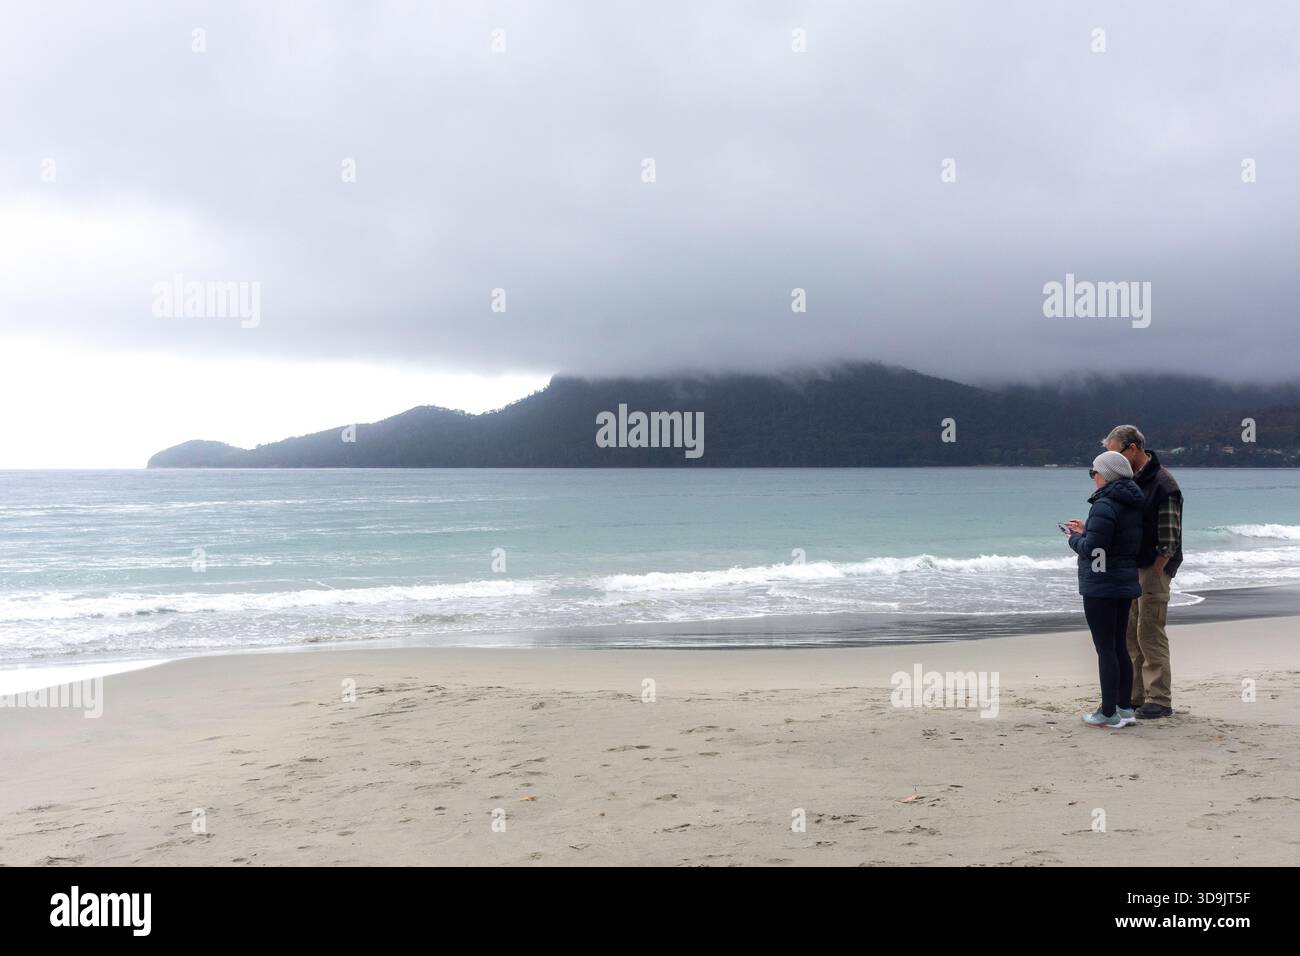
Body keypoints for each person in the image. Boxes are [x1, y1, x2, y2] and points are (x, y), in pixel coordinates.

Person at [1103, 425, 1183, 719]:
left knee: (1149, 632)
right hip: (1132, 566)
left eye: (1115, 453)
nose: (1112, 460)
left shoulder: (1163, 484)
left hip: (1152, 568)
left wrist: (1158, 568)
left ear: (1132, 449)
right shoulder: (1130, 480)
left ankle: (1160, 698)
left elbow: (1170, 539)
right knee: (1130, 633)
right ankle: (1136, 695)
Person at [1063, 451, 1145, 729]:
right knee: (1119, 645)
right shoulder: (1132, 502)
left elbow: (1094, 550)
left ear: (1105, 475)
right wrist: (1088, 530)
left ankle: (1108, 711)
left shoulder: (1104, 504)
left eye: (1093, 472)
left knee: (1105, 648)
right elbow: (1117, 540)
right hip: (1124, 581)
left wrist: (1074, 539)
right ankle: (1124, 708)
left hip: (1101, 584)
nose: (1093, 477)